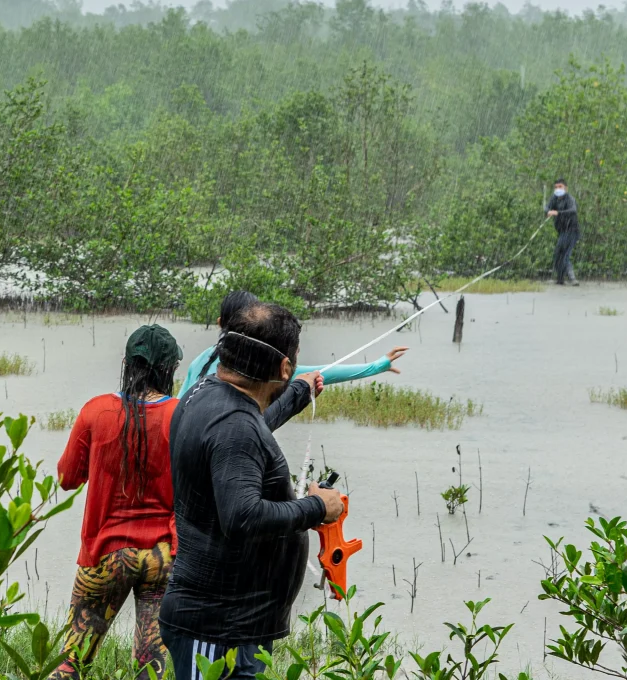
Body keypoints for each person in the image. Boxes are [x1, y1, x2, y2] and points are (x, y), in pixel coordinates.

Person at [161, 304, 346, 680]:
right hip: (215, 631)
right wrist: (317, 507)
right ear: (283, 366)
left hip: (236, 627)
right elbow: (241, 516)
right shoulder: (234, 426)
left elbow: (250, 426)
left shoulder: (205, 393)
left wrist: (297, 394)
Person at [49, 324, 185, 680]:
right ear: (169, 370)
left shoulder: (96, 412)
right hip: (164, 555)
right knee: (151, 661)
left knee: (71, 661)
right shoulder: (182, 415)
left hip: (106, 553)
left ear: (126, 362)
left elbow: (66, 479)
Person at [176, 291, 407, 400]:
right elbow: (324, 372)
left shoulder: (204, 358)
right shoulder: (257, 366)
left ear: (220, 324)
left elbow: (177, 405)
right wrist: (378, 366)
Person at [545, 178, 581, 286]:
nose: (557, 189)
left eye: (560, 187)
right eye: (556, 187)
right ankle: (560, 279)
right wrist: (548, 211)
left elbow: (573, 210)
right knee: (557, 254)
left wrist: (558, 213)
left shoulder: (570, 199)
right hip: (562, 232)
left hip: (572, 231)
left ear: (566, 188)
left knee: (565, 255)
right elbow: (547, 207)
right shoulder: (554, 199)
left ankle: (572, 278)